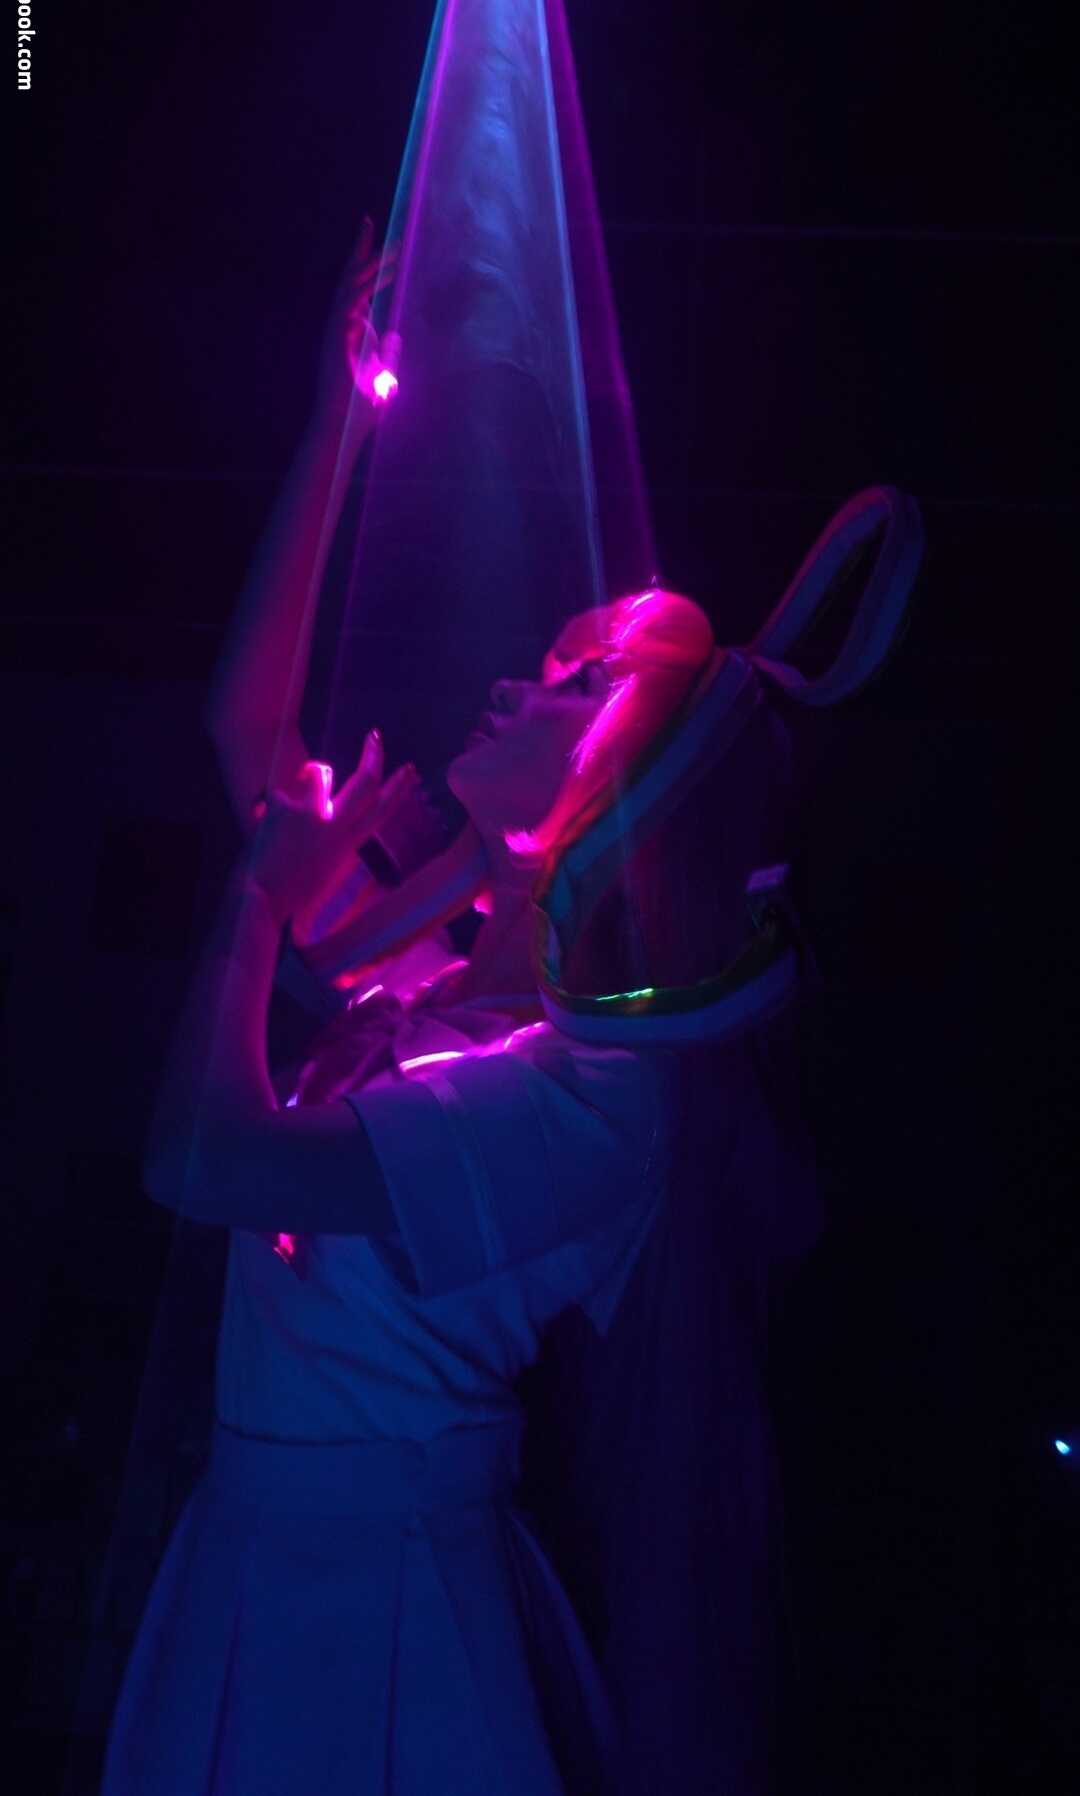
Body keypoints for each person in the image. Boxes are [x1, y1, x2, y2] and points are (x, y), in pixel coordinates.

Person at [101, 224, 922, 1796]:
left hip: (386, 1596)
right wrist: (339, 420)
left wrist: (264, 903)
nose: (521, 678)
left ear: (626, 793)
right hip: (269, 1545)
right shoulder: (438, 973)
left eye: (575, 684)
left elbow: (199, 1160)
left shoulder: (584, 1100)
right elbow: (248, 731)